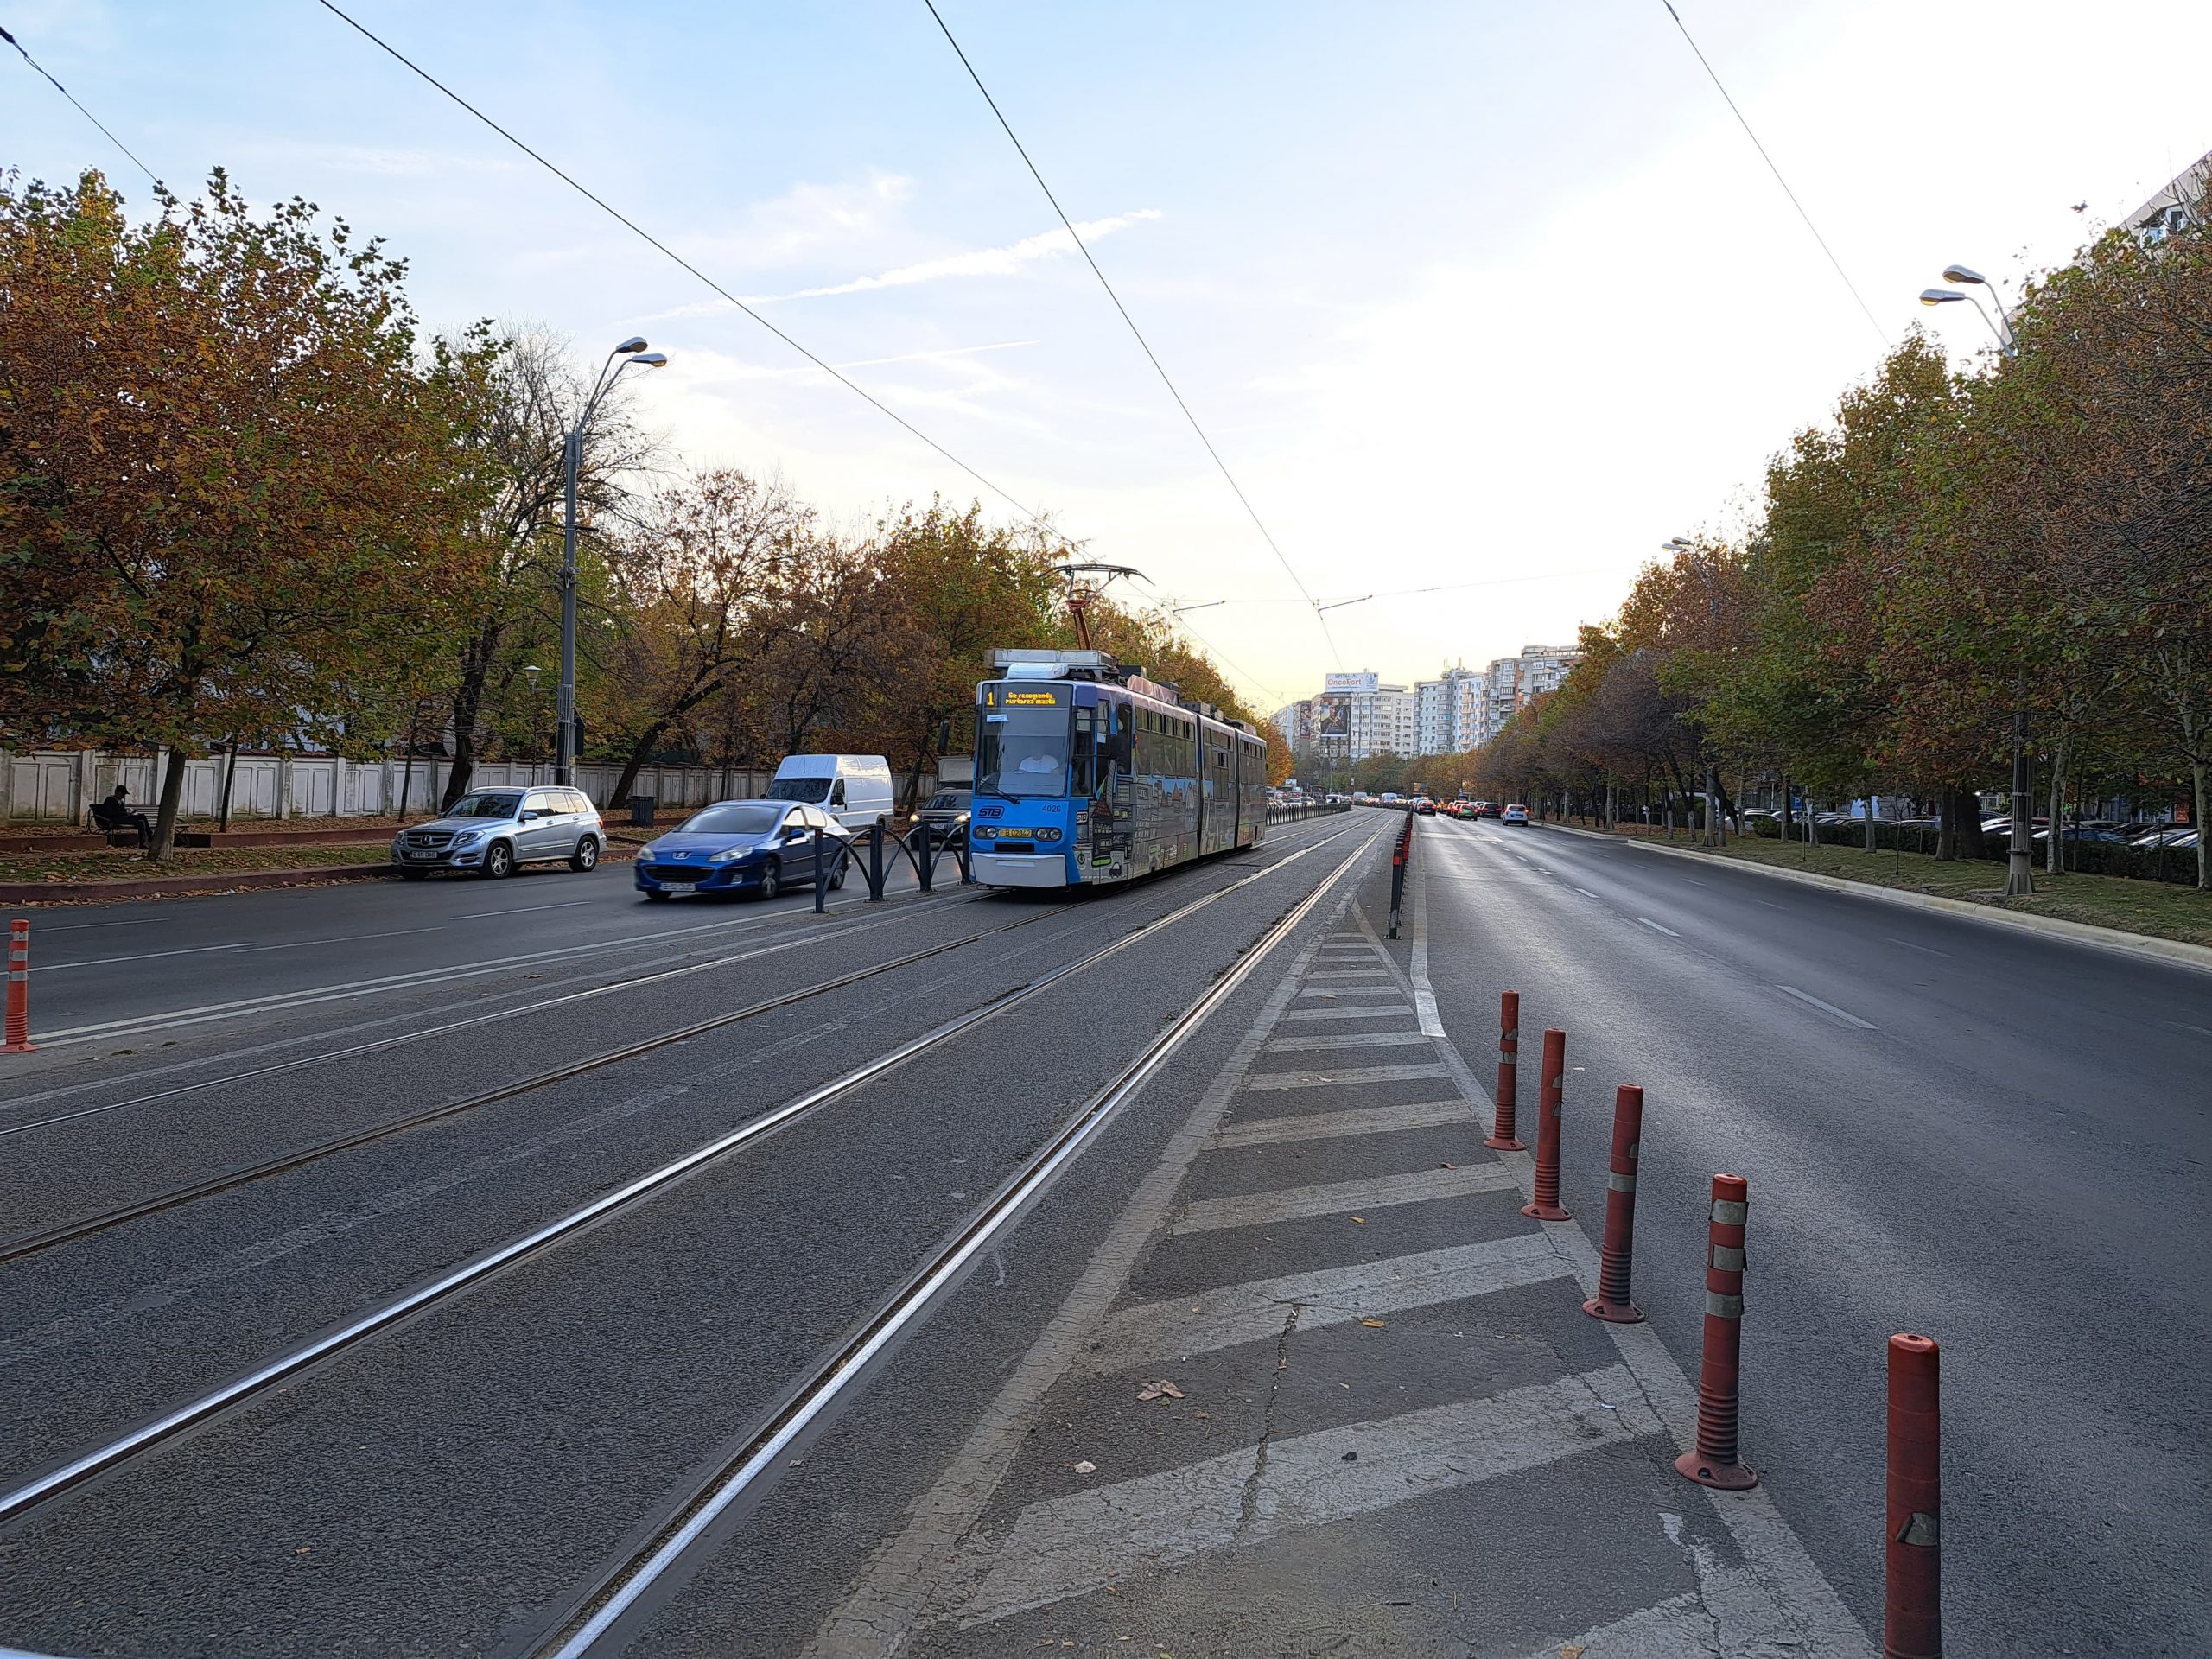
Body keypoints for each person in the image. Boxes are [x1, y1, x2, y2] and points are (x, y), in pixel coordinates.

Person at [92, 785, 154, 850]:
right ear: (117, 793)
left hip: (123, 818)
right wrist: (123, 813)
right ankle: (150, 836)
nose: (123, 796)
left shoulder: (120, 802)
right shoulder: (110, 800)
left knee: (141, 821)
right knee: (141, 817)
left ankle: (143, 842)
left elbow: (123, 812)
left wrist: (128, 813)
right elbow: (110, 813)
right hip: (115, 820)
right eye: (122, 794)